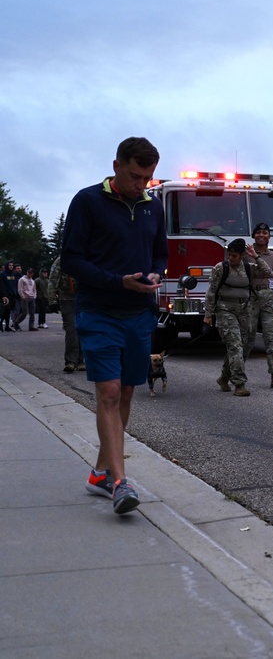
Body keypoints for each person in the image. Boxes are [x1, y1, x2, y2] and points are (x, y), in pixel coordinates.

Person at [61, 136, 167, 515]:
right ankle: (120, 483)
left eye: (148, 178)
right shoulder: (88, 201)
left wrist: (155, 274)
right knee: (106, 392)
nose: (143, 185)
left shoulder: (154, 207)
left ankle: (101, 472)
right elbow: (71, 259)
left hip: (138, 312)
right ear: (116, 166)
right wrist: (116, 281)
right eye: (137, 177)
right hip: (99, 310)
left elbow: (160, 252)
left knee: (124, 394)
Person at [203, 238, 272, 397]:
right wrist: (208, 314)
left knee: (246, 345)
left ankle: (224, 377)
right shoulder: (220, 268)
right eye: (229, 255)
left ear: (242, 255)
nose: (230, 258)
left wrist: (255, 256)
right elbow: (211, 292)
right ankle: (239, 383)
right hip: (225, 309)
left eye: (234, 255)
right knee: (235, 345)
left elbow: (268, 273)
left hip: (245, 309)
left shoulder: (249, 268)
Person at [249, 222, 273, 389]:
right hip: (249, 297)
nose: (261, 235)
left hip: (267, 297)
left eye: (265, 232)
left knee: (272, 337)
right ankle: (231, 374)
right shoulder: (245, 254)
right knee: (246, 338)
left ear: (269, 236)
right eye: (258, 233)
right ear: (253, 235)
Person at [49, 256, 85, 372]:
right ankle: (71, 361)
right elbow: (53, 279)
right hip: (67, 298)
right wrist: (52, 300)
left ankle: (80, 360)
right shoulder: (61, 260)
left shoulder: (86, 256)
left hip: (83, 298)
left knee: (83, 328)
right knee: (71, 329)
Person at [2, 261, 20, 331]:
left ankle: (7, 326)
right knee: (5, 310)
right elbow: (2, 286)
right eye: (10, 265)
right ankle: (1, 324)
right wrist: (3, 295)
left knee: (9, 311)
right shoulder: (2, 274)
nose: (11, 266)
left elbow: (15, 284)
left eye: (12, 265)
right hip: (6, 296)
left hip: (13, 295)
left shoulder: (13, 274)